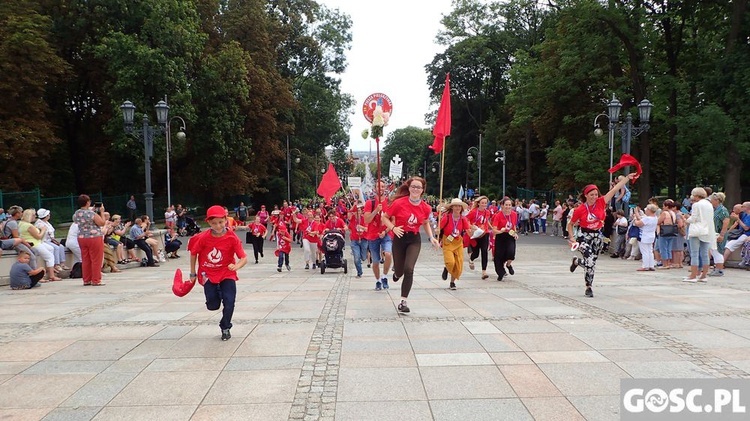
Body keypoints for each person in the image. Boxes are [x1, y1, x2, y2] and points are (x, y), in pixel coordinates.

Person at [568, 173, 637, 297]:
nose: (594, 197)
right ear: (586, 195)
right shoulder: (580, 209)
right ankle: (588, 286)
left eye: (596, 194)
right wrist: (572, 238)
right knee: (589, 260)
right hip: (584, 236)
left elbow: (615, 189)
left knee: (592, 263)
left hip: (597, 236)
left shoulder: (601, 202)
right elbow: (570, 224)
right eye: (591, 195)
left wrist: (627, 178)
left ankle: (579, 265)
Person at [187, 205, 247, 340]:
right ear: (208, 222)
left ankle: (225, 326)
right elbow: (193, 253)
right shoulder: (203, 237)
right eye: (214, 223)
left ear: (226, 220)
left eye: (221, 222)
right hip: (208, 274)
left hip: (227, 273)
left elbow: (243, 258)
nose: (218, 226)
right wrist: (192, 273)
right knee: (213, 306)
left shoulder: (232, 237)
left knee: (230, 301)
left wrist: (237, 266)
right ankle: (217, 292)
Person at [380, 177, 440, 313]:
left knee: (409, 269)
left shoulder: (426, 207)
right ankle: (396, 273)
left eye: (418, 187)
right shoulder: (399, 203)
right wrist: (393, 228)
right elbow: (384, 217)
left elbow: (425, 223)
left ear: (422, 190)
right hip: (399, 238)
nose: (415, 189)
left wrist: (432, 238)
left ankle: (403, 301)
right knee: (400, 271)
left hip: (414, 239)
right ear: (409, 188)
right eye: (413, 186)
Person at [364, 181, 393, 291]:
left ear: (385, 188)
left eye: (382, 186)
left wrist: (385, 231)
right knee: (375, 261)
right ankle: (378, 280)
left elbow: (393, 221)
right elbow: (367, 219)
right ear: (375, 188)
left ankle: (385, 276)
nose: (380, 188)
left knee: (388, 254)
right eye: (378, 186)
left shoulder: (390, 203)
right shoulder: (369, 203)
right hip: (373, 235)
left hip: (386, 233)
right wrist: (376, 210)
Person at [683, 187, 717, 282]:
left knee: (694, 253)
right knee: (705, 254)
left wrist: (686, 219)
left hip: (696, 230)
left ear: (696, 195)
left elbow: (694, 218)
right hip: (707, 230)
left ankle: (693, 275)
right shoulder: (709, 204)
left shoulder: (696, 205)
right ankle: (704, 275)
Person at [19, 208, 61, 282]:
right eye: (34, 215)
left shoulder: (21, 223)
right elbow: (38, 236)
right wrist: (43, 230)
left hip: (32, 242)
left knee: (51, 249)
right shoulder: (29, 226)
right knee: (50, 256)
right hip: (35, 243)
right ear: (30, 216)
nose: (35, 216)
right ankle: (52, 275)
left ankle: (49, 269)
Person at [73, 195, 106, 286]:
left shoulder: (77, 213)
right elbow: (101, 223)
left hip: (82, 237)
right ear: (88, 202)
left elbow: (76, 221)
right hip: (94, 237)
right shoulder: (92, 214)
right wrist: (102, 212)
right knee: (96, 259)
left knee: (85, 259)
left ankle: (86, 279)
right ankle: (96, 280)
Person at [438, 199, 470, 290]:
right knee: (450, 262)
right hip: (448, 241)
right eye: (455, 206)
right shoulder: (447, 217)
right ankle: (447, 267)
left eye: (459, 206)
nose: (457, 208)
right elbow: (439, 228)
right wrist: (437, 230)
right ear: (452, 207)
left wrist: (473, 231)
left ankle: (452, 282)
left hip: (458, 242)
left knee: (458, 264)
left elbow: (468, 231)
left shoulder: (463, 219)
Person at [490, 197, 519, 281]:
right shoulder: (498, 215)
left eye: (509, 205)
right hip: (501, 236)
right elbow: (494, 230)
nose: (508, 207)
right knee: (499, 256)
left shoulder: (514, 214)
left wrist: (515, 233)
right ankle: (500, 272)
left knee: (511, 252)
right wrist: (500, 230)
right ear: (502, 205)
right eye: (506, 205)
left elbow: (513, 226)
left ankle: (508, 265)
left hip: (510, 235)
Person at [466, 196, 491, 280]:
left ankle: (484, 271)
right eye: (482, 203)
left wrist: (492, 229)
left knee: (484, 251)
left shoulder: (487, 212)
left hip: (485, 233)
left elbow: (487, 221)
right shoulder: (473, 212)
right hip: (475, 234)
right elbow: (466, 220)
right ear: (479, 203)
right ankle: (471, 259)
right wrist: (471, 226)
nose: (484, 204)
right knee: (476, 253)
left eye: (485, 203)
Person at [709, 192, 730, 277]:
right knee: (714, 251)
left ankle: (719, 269)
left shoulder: (722, 210)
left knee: (718, 251)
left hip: (719, 233)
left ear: (717, 200)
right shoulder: (715, 209)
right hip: (715, 233)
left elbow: (726, 222)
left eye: (712, 200)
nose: (710, 201)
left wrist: (722, 234)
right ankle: (717, 268)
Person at [633, 204, 658, 271]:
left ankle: (645, 266)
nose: (645, 211)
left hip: (644, 236)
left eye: (646, 209)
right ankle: (651, 265)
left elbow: (638, 223)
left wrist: (635, 219)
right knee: (650, 250)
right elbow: (641, 219)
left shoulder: (647, 218)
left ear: (649, 210)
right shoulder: (655, 217)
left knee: (644, 251)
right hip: (651, 236)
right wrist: (637, 213)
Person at [347, 205, 368, 278]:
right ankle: (359, 272)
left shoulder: (364, 219)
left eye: (358, 211)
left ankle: (363, 258)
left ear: (361, 211)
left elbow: (367, 229)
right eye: (355, 211)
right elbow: (349, 214)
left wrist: (361, 227)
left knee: (363, 257)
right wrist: (354, 205)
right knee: (356, 258)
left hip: (363, 240)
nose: (357, 212)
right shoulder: (352, 219)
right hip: (354, 241)